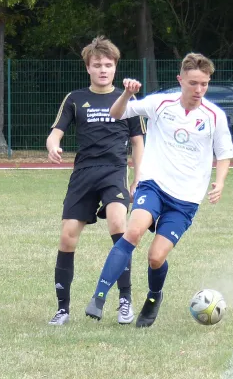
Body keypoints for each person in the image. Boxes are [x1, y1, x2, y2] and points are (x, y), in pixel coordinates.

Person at [85, 52, 233, 328]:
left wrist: (220, 181)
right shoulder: (160, 104)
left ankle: (154, 297)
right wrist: (127, 95)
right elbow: (116, 113)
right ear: (181, 80)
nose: (199, 90)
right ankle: (99, 297)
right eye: (193, 83)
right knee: (133, 232)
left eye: (204, 84)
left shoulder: (215, 116)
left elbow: (224, 152)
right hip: (154, 184)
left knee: (156, 257)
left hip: (186, 199)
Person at [46, 36, 146, 326]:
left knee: (118, 224)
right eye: (97, 65)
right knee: (67, 237)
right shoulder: (75, 99)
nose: (103, 69)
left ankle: (124, 301)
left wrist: (138, 176)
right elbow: (56, 131)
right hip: (83, 174)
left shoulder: (128, 100)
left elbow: (138, 143)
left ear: (115, 68)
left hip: (114, 171)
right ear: (88, 68)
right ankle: (63, 309)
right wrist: (53, 145)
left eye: (108, 65)